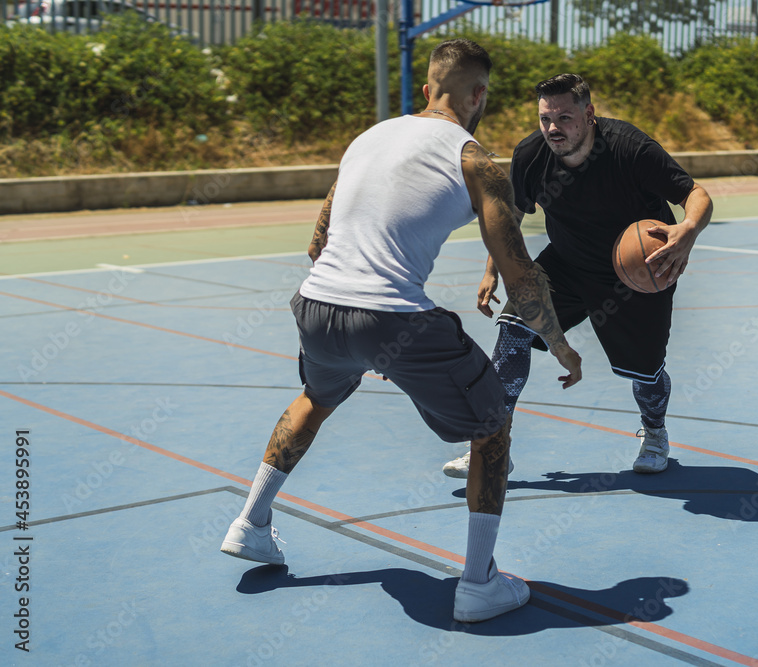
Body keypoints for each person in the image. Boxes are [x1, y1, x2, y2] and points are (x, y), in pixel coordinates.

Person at [220, 40, 582, 624]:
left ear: (425, 89)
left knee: (316, 397)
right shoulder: (477, 162)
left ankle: (251, 523)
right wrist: (561, 345)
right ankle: (479, 583)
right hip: (392, 317)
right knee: (492, 426)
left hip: (316, 304)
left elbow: (318, 243)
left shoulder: (368, 138)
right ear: (479, 95)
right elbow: (521, 276)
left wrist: (354, 329)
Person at [442, 73, 712, 479]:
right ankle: (494, 442)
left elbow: (696, 194)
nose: (553, 128)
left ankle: (654, 432)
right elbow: (511, 217)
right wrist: (491, 270)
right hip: (564, 264)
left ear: (588, 115)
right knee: (513, 329)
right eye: (545, 118)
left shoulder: (630, 149)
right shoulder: (531, 155)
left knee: (645, 369)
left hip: (635, 273)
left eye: (564, 118)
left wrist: (688, 231)